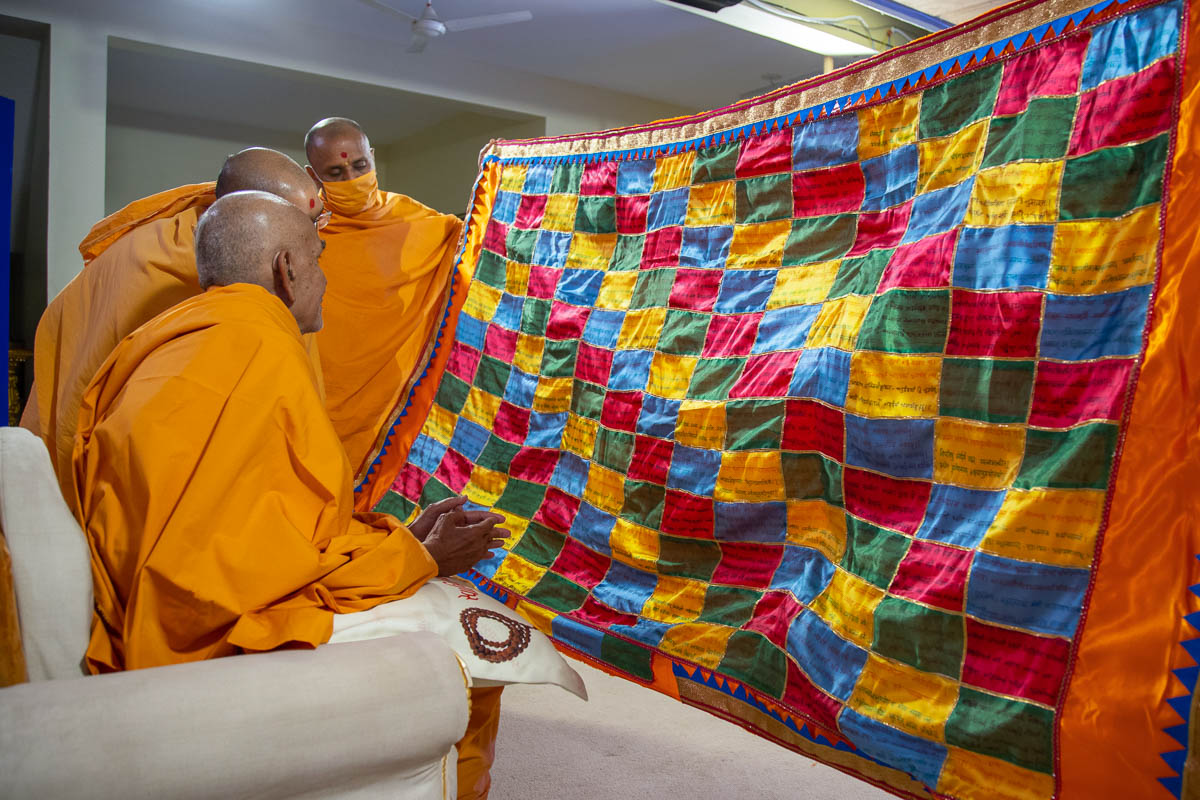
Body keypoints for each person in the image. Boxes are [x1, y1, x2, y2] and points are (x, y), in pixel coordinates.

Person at [72, 191, 506, 799]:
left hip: (132, 597)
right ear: (287, 268)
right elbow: (232, 580)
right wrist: (419, 558)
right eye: (320, 260)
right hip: (190, 642)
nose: (326, 280)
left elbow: (255, 519)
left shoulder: (159, 338)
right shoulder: (258, 352)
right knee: (479, 645)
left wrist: (402, 538)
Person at [21, 148, 328, 505]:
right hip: (124, 470)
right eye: (304, 225)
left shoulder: (233, 254)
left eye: (318, 220)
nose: (316, 240)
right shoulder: (177, 270)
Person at [304, 117, 463, 482]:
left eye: (360, 166)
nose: (351, 178)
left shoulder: (417, 221)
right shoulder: (303, 232)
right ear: (313, 176)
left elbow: (484, 247)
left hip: (397, 407)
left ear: (372, 157)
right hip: (325, 402)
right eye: (336, 172)